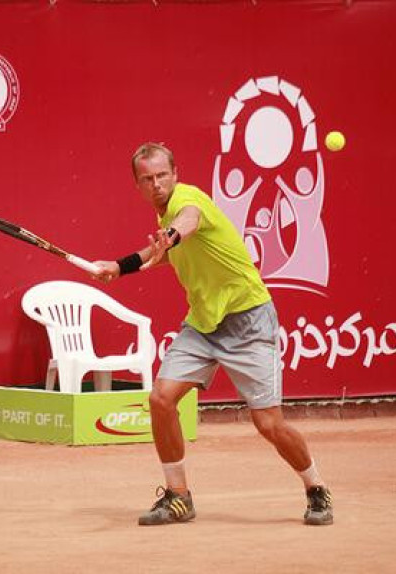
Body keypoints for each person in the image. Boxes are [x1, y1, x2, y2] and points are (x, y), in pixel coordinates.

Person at [92, 142, 334, 527]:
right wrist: (119, 268)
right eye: (147, 179)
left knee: (269, 423)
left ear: (176, 174)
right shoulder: (164, 216)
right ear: (137, 185)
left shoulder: (188, 201)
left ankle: (315, 487)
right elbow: (165, 253)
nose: (156, 184)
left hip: (250, 320)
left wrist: (170, 236)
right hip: (205, 323)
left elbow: (186, 223)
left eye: (162, 176)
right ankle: (178, 497)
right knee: (161, 400)